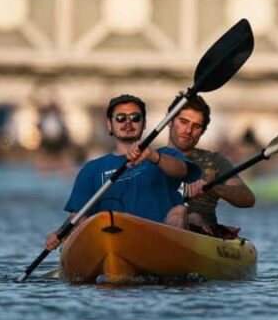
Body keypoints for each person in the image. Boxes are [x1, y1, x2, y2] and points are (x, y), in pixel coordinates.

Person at [45, 94, 200, 251]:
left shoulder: (165, 154)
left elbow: (182, 170)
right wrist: (59, 233)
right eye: (120, 117)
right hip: (113, 244)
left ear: (144, 123)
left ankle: (172, 264)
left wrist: (153, 156)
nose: (128, 122)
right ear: (109, 125)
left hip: (160, 243)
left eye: (135, 117)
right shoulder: (91, 169)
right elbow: (77, 216)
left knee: (179, 211)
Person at [167, 95, 255, 238]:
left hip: (202, 234)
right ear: (170, 121)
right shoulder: (151, 158)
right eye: (183, 122)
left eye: (196, 126)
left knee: (192, 216)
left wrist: (213, 187)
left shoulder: (214, 161)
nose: (188, 131)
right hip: (157, 226)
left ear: (202, 131)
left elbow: (248, 199)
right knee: (179, 213)